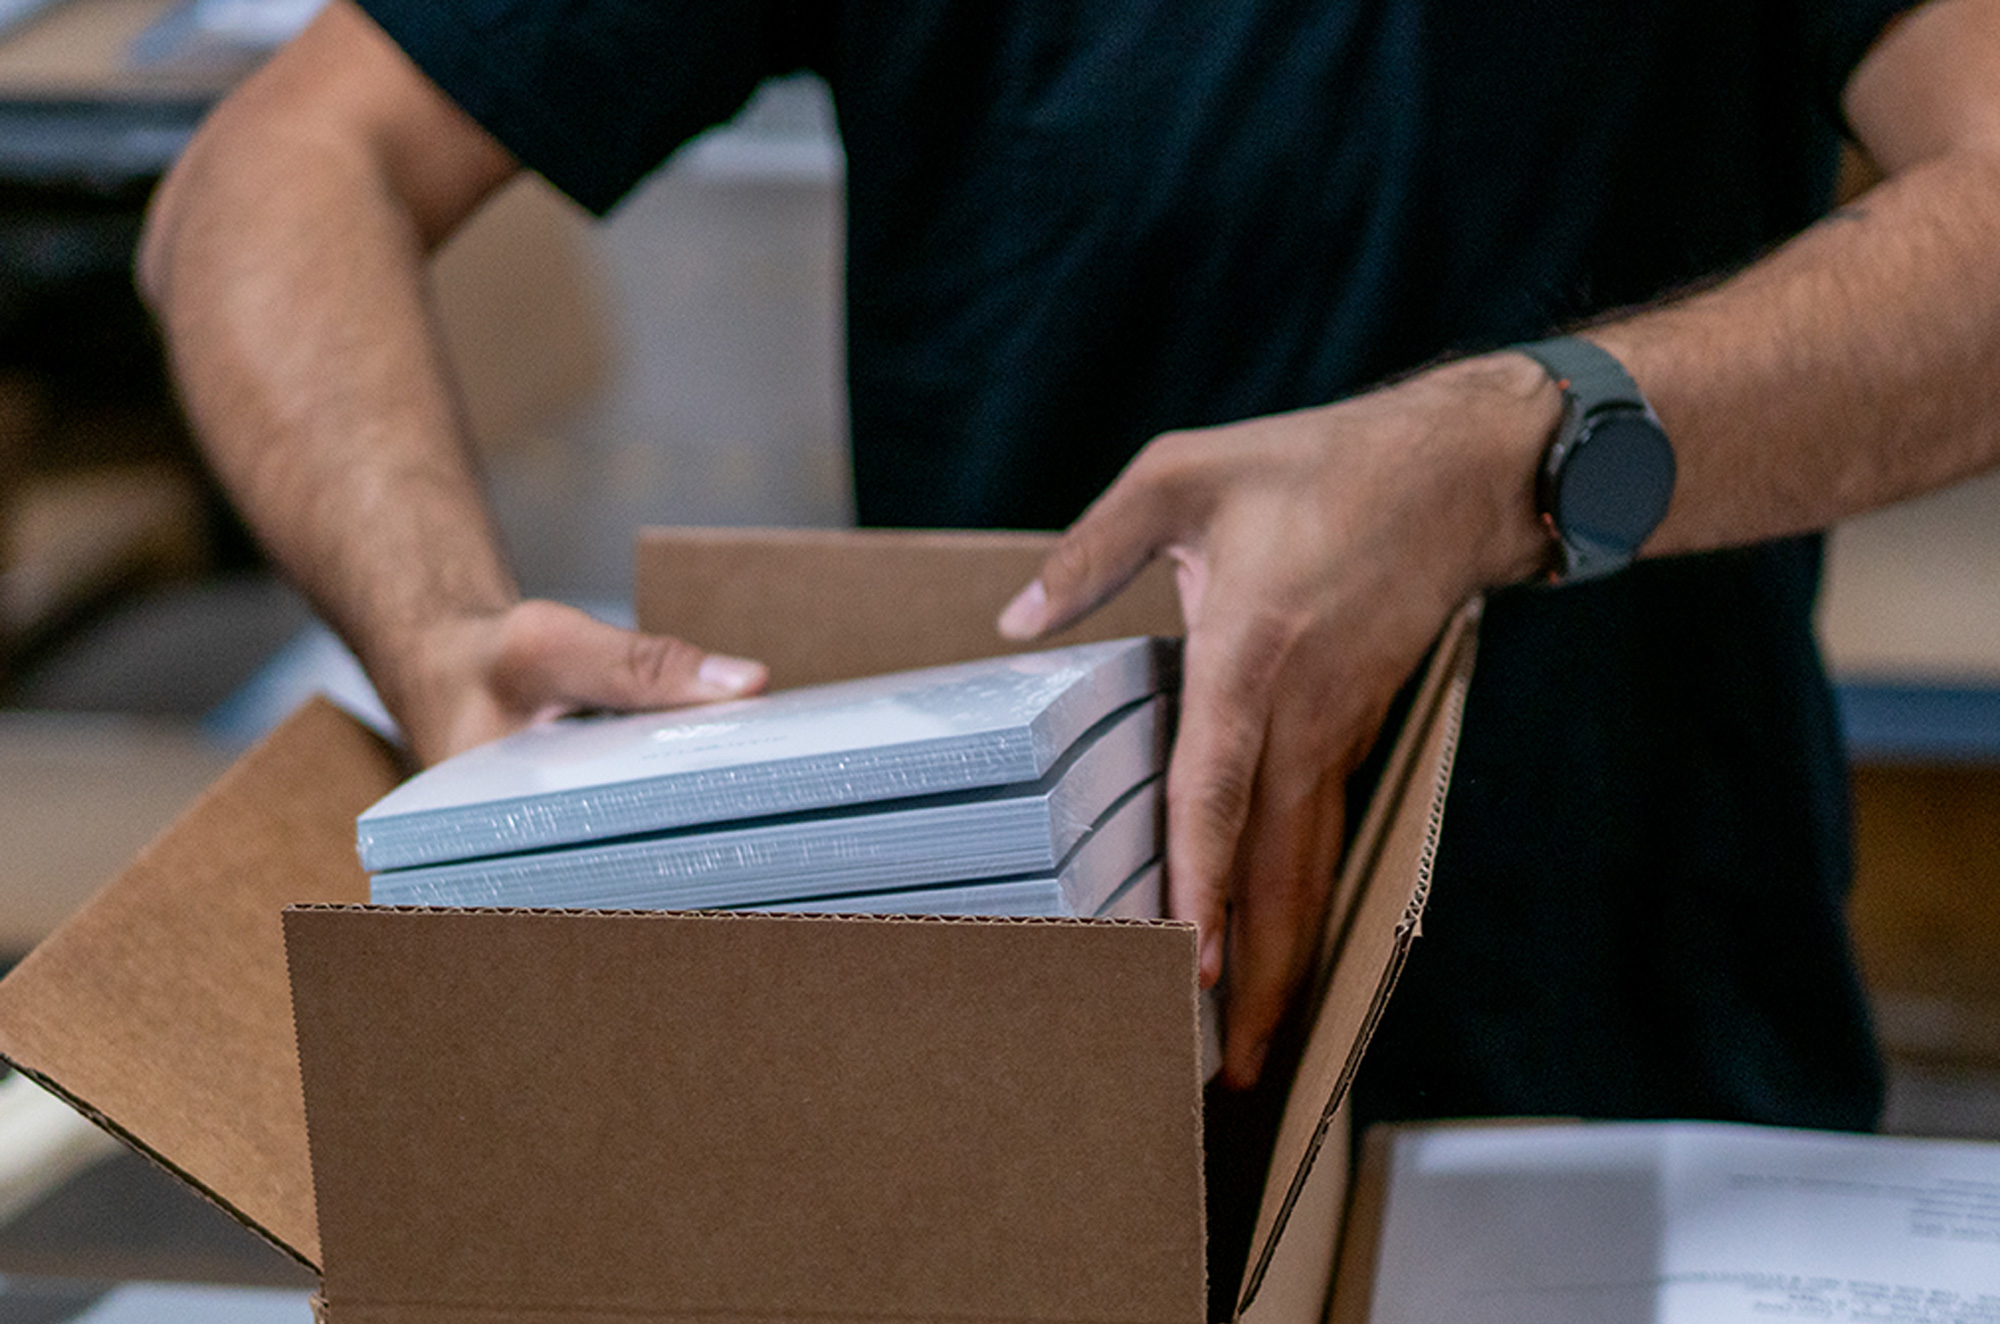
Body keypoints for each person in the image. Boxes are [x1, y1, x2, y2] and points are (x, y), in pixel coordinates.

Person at [137, 0, 2000, 1123]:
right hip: (1012, 1094)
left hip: (1620, 1073)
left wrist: (1502, 448)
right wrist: (440, 631)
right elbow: (288, 169)